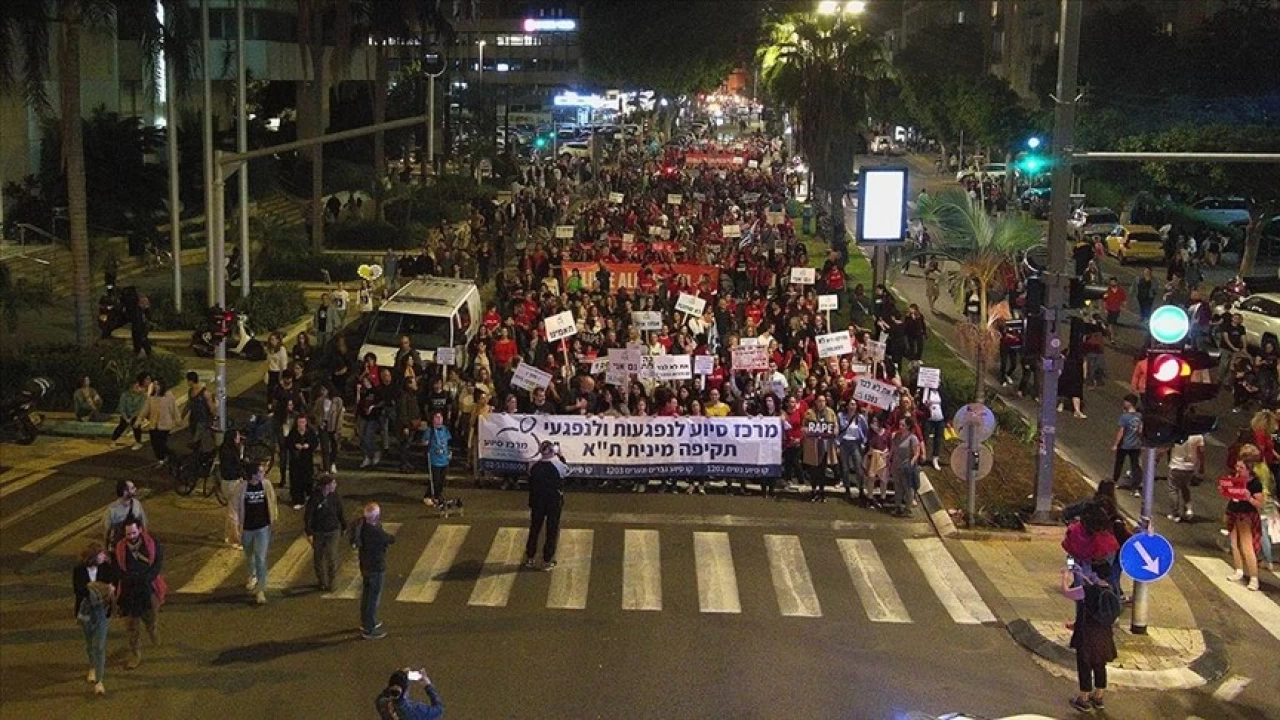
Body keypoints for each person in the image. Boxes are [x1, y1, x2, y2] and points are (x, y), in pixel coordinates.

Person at [1062, 559, 1119, 713]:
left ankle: (1083, 698)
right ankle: (1099, 696)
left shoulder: (1088, 591)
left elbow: (1067, 592)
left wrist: (1065, 578)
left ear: (1095, 573)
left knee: (1085, 665)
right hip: (1105, 636)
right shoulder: (1112, 590)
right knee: (1100, 665)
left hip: (1087, 636)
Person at [114, 518, 165, 670]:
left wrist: (145, 578)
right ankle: (135, 654)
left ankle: (152, 629)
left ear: (140, 530)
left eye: (134, 532)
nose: (131, 536)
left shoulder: (152, 544)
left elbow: (157, 565)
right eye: (128, 534)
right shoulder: (120, 548)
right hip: (129, 591)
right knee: (131, 626)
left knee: (150, 618)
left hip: (147, 588)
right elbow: (117, 569)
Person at [228, 462, 278, 605]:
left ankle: (261, 590)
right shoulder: (241, 488)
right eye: (260, 472)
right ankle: (252, 575)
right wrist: (235, 529)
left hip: (262, 528)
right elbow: (234, 509)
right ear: (253, 475)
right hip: (247, 529)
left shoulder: (266, 485)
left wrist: (273, 521)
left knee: (260, 558)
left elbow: (272, 503)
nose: (263, 474)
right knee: (249, 555)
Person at [73, 541, 117, 695]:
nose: (104, 556)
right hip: (86, 612)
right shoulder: (79, 570)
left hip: (102, 611)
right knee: (90, 643)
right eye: (101, 554)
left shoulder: (106, 567)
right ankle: (92, 665)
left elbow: (112, 585)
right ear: (92, 557)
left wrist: (106, 590)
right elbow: (78, 590)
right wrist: (94, 591)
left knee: (99, 646)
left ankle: (99, 681)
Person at [1222, 450, 1265, 591]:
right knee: (1234, 544)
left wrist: (1249, 497)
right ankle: (1238, 570)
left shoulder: (1255, 483)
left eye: (1241, 468)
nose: (1238, 470)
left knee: (1247, 547)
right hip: (1233, 511)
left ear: (1249, 468)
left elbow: (1260, 504)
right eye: (1237, 467)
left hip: (1246, 515)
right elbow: (1232, 495)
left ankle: (1254, 578)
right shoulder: (1236, 477)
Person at [351, 502, 395, 639]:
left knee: (367, 595)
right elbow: (389, 539)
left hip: (365, 565)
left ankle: (366, 622)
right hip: (375, 567)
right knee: (373, 598)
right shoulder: (374, 531)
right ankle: (369, 629)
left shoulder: (362, 526)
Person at [524, 441, 568, 571]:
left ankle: (530, 557)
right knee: (551, 530)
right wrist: (560, 456)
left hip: (537, 501)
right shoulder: (558, 465)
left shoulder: (533, 466)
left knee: (534, 529)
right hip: (553, 502)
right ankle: (547, 560)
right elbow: (566, 472)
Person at [304, 474, 346, 592]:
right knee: (318, 557)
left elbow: (340, 511)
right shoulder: (315, 498)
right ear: (326, 486)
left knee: (331, 556)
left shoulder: (335, 496)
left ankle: (333, 582)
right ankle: (322, 581)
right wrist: (309, 532)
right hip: (319, 532)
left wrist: (344, 525)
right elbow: (308, 516)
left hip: (333, 530)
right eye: (333, 483)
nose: (335, 485)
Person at [801, 394, 838, 502]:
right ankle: (813, 490)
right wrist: (805, 430)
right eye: (819, 401)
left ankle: (822, 491)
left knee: (823, 469)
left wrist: (835, 431)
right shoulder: (809, 413)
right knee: (813, 469)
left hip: (826, 445)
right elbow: (804, 426)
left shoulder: (831, 413)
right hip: (813, 445)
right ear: (816, 402)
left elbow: (835, 426)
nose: (821, 403)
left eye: (823, 401)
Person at [375, 669, 444, 720]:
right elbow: (439, 709)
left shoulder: (382, 703)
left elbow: (384, 695)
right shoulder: (418, 711)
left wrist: (398, 678)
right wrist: (428, 685)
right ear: (406, 689)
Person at [1166, 433, 1204, 522]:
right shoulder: (1198, 436)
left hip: (1176, 465)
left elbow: (1168, 447)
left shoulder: (1177, 433)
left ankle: (1175, 514)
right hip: (1190, 467)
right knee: (1185, 487)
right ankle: (1188, 509)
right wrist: (1201, 466)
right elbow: (1201, 452)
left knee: (1173, 489)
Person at [890, 416, 922, 516]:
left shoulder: (913, 438)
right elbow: (893, 449)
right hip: (896, 465)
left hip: (906, 466)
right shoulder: (896, 436)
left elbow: (916, 453)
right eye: (900, 424)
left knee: (908, 488)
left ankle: (908, 509)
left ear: (908, 426)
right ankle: (897, 506)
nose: (900, 426)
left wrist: (911, 464)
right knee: (897, 487)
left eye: (903, 425)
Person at [286, 414, 319, 510]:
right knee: (296, 480)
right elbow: (288, 443)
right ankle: (298, 500)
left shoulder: (310, 432)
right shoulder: (293, 432)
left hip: (307, 460)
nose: (301, 424)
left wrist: (308, 446)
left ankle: (308, 496)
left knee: (308, 478)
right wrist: (295, 446)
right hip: (296, 461)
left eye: (303, 422)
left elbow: (315, 442)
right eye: (299, 422)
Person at [1111, 394, 1143, 494]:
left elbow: (1121, 431)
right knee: (1135, 466)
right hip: (1136, 445)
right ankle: (1135, 488)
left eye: (1125, 402)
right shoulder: (1139, 416)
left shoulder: (1124, 417)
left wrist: (1116, 444)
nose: (1123, 403)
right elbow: (1140, 430)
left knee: (1119, 463)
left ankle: (1114, 482)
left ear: (1129, 403)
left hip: (1124, 445)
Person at [144, 379, 179, 465]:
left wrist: (177, 420)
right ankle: (161, 459)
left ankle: (171, 456)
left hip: (164, 424)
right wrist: (139, 419)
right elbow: (145, 409)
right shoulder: (151, 397)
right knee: (154, 444)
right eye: (154, 384)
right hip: (153, 424)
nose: (155, 386)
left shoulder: (168, 396)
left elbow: (174, 409)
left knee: (161, 444)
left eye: (157, 384)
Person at [104, 479, 147, 548]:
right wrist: (106, 547)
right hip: (119, 546)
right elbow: (107, 531)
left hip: (135, 544)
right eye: (132, 488)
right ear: (125, 492)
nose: (135, 489)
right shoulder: (112, 509)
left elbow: (143, 523)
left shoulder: (136, 504)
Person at [311, 384, 344, 474]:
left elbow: (339, 415)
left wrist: (338, 428)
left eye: (324, 390)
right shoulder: (319, 401)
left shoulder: (337, 401)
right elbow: (315, 413)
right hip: (323, 425)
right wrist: (319, 421)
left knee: (334, 446)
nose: (322, 392)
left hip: (333, 425)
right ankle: (326, 468)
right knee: (325, 447)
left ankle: (332, 462)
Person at [111, 375, 148, 450]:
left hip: (135, 415)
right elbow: (122, 407)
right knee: (122, 425)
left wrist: (131, 418)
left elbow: (139, 409)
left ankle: (138, 442)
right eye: (136, 387)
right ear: (131, 388)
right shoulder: (125, 395)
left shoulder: (142, 396)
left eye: (138, 386)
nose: (138, 389)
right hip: (126, 415)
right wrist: (126, 418)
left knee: (136, 425)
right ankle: (113, 440)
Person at [424, 411, 452, 506]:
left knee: (442, 480)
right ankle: (428, 495)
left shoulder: (445, 429)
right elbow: (424, 441)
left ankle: (438, 495)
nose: (439, 419)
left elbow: (448, 442)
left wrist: (449, 452)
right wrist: (426, 443)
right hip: (434, 459)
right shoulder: (430, 430)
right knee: (434, 479)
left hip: (444, 459)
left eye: (440, 417)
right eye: (436, 417)